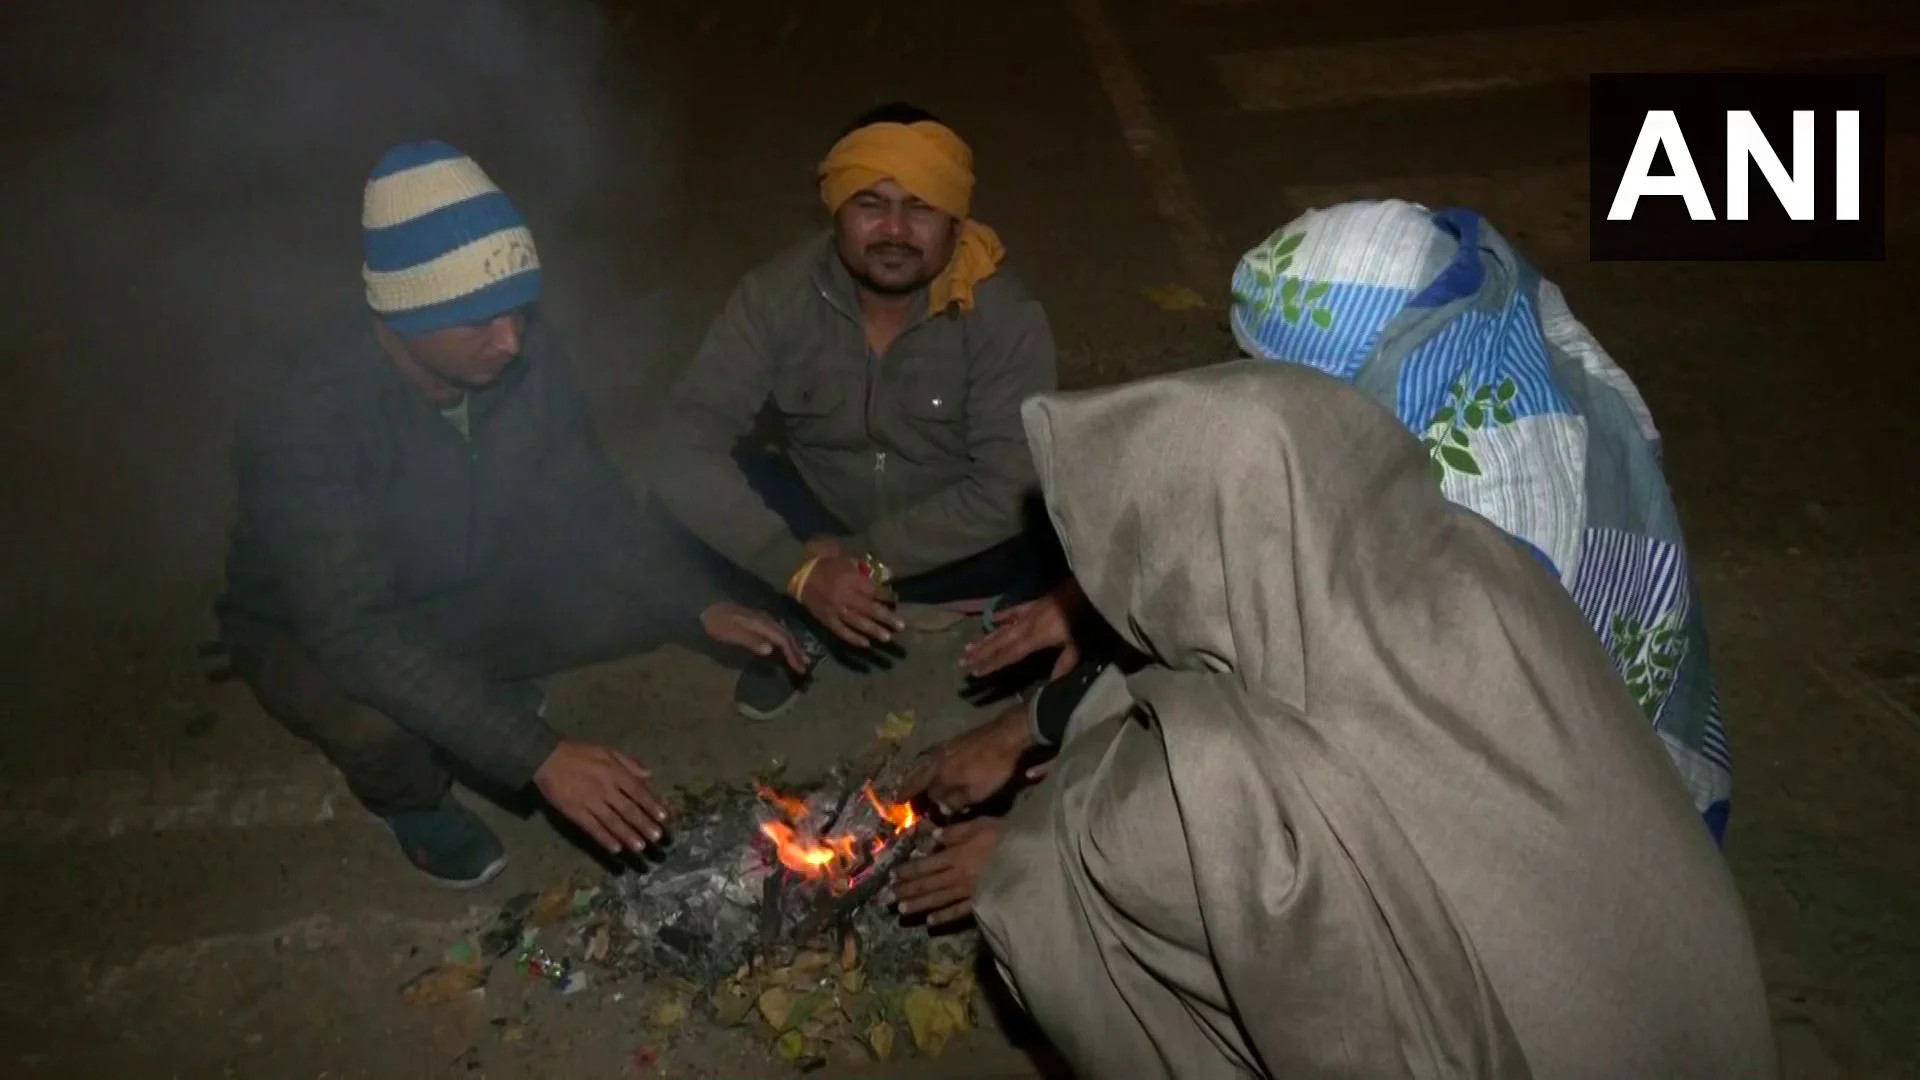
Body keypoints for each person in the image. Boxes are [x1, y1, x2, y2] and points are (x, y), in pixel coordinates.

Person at [971, 362, 1777, 1079]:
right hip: (1717, 1037)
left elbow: (1152, 800)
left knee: (1053, 880)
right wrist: (1035, 723)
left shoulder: (1210, 795)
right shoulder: (1488, 576)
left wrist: (1008, 853)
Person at [951, 198, 1735, 848]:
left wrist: (1058, 848)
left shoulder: (1477, 542)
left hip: (1547, 838)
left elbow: (1297, 744)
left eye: (1282, 380)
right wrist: (1098, 596)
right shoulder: (1465, 342)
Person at [216, 140, 806, 888]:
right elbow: (356, 630)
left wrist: (700, 603)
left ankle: (473, 698)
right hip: (316, 628)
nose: (512, 341)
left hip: (462, 578)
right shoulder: (304, 417)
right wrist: (538, 754)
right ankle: (415, 802)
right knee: (380, 725)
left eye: (520, 311)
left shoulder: (518, 355)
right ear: (398, 316)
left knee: (664, 571)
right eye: (477, 322)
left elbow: (592, 504)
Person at [648, 102, 1062, 722]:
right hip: (819, 521)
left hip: (952, 540)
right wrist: (796, 569)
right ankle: (804, 614)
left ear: (954, 217)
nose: (894, 230)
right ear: (834, 210)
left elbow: (1007, 489)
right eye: (870, 203)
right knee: (674, 503)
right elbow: (681, 447)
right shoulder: (774, 298)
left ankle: (992, 617)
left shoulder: (1002, 313)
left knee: (1066, 505)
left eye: (920, 206)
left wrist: (859, 558)